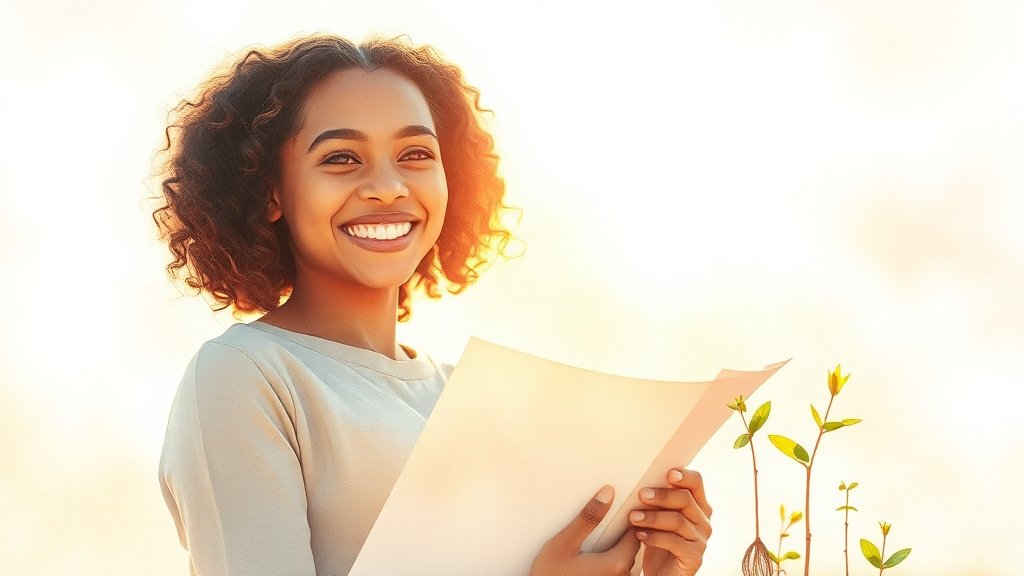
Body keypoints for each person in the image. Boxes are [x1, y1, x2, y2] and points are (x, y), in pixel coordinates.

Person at [153, 33, 712, 576]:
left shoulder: (468, 394)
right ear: (271, 191)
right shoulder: (244, 377)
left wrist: (646, 567)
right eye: (342, 158)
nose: (388, 186)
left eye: (416, 153)